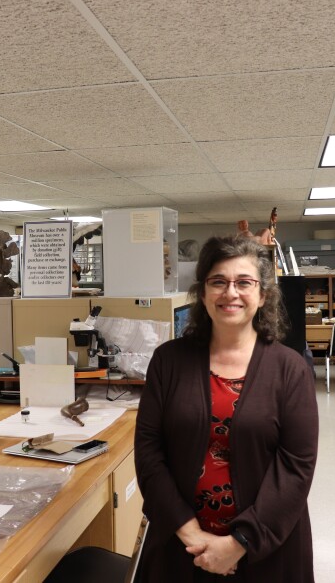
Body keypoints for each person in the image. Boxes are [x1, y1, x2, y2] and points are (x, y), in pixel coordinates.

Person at [135, 235, 319, 582]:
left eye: (244, 282)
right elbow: (148, 452)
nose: (230, 292)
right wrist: (191, 535)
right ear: (202, 293)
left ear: (263, 294)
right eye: (218, 282)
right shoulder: (168, 361)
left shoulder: (289, 368)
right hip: (181, 548)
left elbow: (296, 467)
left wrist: (238, 544)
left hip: (267, 550)